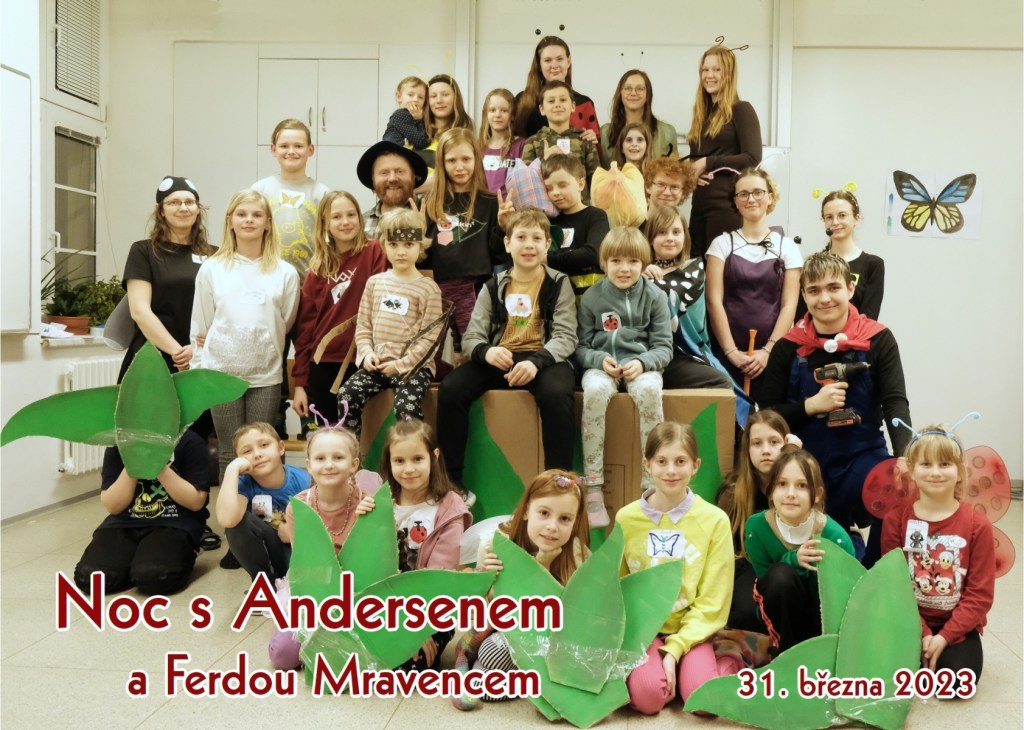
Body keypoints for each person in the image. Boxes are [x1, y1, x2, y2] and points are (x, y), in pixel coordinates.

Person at [761, 251, 911, 564]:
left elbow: (895, 400)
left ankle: (874, 570)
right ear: (804, 295)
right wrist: (810, 406)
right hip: (805, 460)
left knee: (896, 488)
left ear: (850, 289)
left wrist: (904, 456)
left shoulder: (879, 339)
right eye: (814, 291)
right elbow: (767, 414)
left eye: (833, 288)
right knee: (825, 548)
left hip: (862, 455)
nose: (825, 298)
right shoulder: (788, 346)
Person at [437, 208, 577, 488]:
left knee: (557, 394)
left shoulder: (559, 283)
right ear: (507, 243)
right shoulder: (493, 286)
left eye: (536, 238)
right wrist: (487, 351)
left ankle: (558, 482)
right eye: (521, 237)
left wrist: (536, 362)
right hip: (502, 356)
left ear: (547, 244)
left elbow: (566, 336)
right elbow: (472, 336)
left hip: (544, 358)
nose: (529, 245)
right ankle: (451, 482)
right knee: (451, 389)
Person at [617, 422, 735, 714]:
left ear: (695, 466)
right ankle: (667, 675)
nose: (671, 470)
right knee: (648, 698)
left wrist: (675, 649)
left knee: (702, 702)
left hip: (692, 631)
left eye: (680, 461)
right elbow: (619, 589)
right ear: (647, 464)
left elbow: (713, 601)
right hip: (644, 631)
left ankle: (728, 660)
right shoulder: (626, 519)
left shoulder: (715, 521)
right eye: (662, 461)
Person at [453, 468, 589, 709]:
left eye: (565, 519)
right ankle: (487, 671)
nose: (552, 526)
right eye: (544, 513)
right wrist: (486, 579)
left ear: (575, 521)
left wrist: (543, 565)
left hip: (552, 640)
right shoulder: (496, 545)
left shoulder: (578, 556)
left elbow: (570, 617)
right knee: (495, 651)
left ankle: (522, 678)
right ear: (526, 510)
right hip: (508, 631)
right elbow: (484, 612)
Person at [190, 190, 300, 477]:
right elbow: (201, 325)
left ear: (268, 223)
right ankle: (233, 507)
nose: (249, 220)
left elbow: (285, 322)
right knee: (231, 451)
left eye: (256, 215)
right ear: (230, 221)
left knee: (262, 452)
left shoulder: (285, 273)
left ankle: (262, 506)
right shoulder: (212, 269)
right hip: (221, 376)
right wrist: (199, 371)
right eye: (242, 214)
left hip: (266, 375)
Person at [881, 423, 995, 683]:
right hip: (906, 619)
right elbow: (893, 586)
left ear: (960, 471)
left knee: (956, 682)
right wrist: (922, 633)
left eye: (944, 464)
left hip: (956, 625)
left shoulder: (977, 525)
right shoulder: (895, 521)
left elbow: (979, 595)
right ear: (912, 469)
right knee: (891, 675)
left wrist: (944, 637)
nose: (935, 472)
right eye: (926, 464)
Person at [576, 227, 672, 527]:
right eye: (616, 261)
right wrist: (598, 360)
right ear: (604, 262)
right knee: (594, 392)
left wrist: (643, 363)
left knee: (649, 392)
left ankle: (651, 485)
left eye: (632, 261)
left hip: (641, 367)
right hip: (601, 366)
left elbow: (664, 347)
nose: (624, 268)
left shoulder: (655, 296)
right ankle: (593, 486)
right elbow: (580, 346)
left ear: (643, 263)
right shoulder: (592, 297)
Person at [269, 426, 374, 670]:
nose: (329, 465)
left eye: (338, 457)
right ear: (309, 465)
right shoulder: (299, 507)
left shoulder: (367, 503)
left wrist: (365, 523)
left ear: (354, 464)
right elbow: (304, 564)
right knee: (283, 657)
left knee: (362, 654)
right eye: (320, 458)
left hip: (358, 589)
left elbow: (371, 562)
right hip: (314, 588)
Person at [336, 209, 444, 438]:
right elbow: (364, 326)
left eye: (408, 244)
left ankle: (413, 454)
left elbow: (430, 340)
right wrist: (367, 354)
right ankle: (350, 452)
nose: (401, 251)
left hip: (413, 369)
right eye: (393, 244)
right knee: (346, 395)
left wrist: (402, 364)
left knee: (406, 409)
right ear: (384, 246)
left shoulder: (429, 289)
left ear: (420, 246)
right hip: (377, 366)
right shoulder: (374, 283)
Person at [744, 447, 855, 652]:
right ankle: (784, 655)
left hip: (821, 622)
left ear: (817, 494)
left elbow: (844, 599)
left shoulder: (835, 538)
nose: (791, 494)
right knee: (780, 576)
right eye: (782, 484)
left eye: (802, 486)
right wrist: (794, 560)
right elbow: (767, 584)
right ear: (770, 490)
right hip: (780, 620)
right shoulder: (756, 528)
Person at [291, 191, 386, 429]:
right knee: (332, 440)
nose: (345, 222)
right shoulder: (318, 269)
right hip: (325, 363)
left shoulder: (376, 252)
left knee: (366, 438)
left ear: (360, 218)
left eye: (351, 215)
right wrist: (300, 383)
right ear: (325, 223)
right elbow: (305, 330)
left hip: (366, 360)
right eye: (336, 217)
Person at [706, 168, 802, 406]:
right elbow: (713, 301)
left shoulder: (788, 247)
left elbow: (789, 305)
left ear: (770, 197)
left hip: (773, 353)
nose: (751, 199)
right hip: (727, 352)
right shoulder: (721, 244)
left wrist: (768, 352)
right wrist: (731, 352)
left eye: (758, 192)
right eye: (743, 194)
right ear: (736, 202)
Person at [382, 418, 472, 668]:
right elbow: (370, 567)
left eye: (417, 459)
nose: (408, 469)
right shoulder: (382, 502)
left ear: (434, 456)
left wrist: (417, 628)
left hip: (431, 609)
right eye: (399, 461)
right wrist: (364, 516)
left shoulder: (449, 507)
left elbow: (439, 576)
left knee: (408, 666)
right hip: (388, 606)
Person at [73, 430, 209, 596]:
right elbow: (113, 506)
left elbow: (196, 502)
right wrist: (134, 462)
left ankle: (144, 565)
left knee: (155, 575)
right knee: (91, 578)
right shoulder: (117, 444)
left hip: (174, 521)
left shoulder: (190, 441)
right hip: (124, 522)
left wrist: (158, 465)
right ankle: (133, 565)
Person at [420, 127, 512, 363]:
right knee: (431, 355)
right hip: (435, 289)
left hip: (474, 287)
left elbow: (499, 257)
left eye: (466, 159)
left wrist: (502, 227)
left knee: (470, 351)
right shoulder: (429, 203)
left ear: (476, 159)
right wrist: (418, 237)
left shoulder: (491, 202)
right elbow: (421, 258)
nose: (459, 166)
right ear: (441, 163)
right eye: (452, 160)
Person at [119, 176, 214, 383]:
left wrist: (196, 350)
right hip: (153, 357)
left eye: (189, 202)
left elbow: (224, 310)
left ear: (198, 209)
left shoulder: (216, 255)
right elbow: (140, 311)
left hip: (202, 358)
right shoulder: (143, 251)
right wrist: (178, 353)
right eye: (174, 202)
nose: (183, 208)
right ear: (161, 210)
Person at [716, 410, 798, 631]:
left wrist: (793, 457)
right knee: (748, 614)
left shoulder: (799, 488)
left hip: (791, 562)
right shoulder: (733, 492)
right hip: (747, 562)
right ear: (747, 449)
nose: (766, 451)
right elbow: (723, 550)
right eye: (757, 443)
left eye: (774, 442)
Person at [641, 204, 734, 392]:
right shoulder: (637, 272)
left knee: (724, 384)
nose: (670, 238)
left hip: (683, 356)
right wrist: (639, 276)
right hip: (643, 352)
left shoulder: (695, 270)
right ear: (650, 238)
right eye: (662, 232)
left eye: (676, 232)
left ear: (685, 237)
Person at [686, 44, 763, 258]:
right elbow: (696, 159)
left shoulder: (741, 109)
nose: (709, 75)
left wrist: (708, 163)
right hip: (699, 204)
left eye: (716, 69)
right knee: (697, 268)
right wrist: (692, 172)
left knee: (721, 269)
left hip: (725, 205)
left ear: (729, 74)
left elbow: (752, 157)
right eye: (705, 70)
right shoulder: (701, 115)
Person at [216, 422, 311, 584]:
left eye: (264, 445)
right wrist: (232, 469)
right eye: (247, 451)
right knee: (238, 523)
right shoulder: (245, 483)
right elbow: (227, 519)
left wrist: (294, 533)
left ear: (281, 448)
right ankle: (265, 582)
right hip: (274, 547)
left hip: (304, 549)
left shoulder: (303, 480)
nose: (257, 454)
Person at [252, 119, 328, 283]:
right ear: (273, 149)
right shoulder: (259, 191)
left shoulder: (322, 194)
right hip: (265, 280)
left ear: (310, 150)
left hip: (308, 283)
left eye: (298, 146)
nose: (291, 151)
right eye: (284, 146)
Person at [796, 188, 885, 321]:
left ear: (856, 218)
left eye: (842, 215)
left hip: (856, 334)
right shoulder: (811, 265)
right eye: (829, 217)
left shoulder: (873, 265)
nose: (835, 222)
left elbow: (869, 319)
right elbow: (802, 317)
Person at [542, 155, 610, 298]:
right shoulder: (549, 222)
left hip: (593, 298)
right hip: (560, 300)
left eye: (562, 185)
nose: (555, 192)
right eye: (549, 188)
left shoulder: (596, 216)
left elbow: (592, 254)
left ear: (580, 184)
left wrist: (548, 259)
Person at [513, 35, 601, 147]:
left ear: (568, 61)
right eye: (547, 60)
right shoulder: (522, 100)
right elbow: (510, 142)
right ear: (539, 65)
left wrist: (593, 138)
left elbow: (597, 151)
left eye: (560, 59)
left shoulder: (585, 104)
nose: (554, 65)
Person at [520, 81, 600, 202]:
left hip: (581, 208)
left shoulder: (584, 139)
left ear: (573, 106)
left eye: (563, 100)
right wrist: (543, 162)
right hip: (545, 209)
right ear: (542, 109)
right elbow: (525, 182)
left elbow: (596, 180)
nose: (557, 105)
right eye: (551, 101)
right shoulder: (532, 142)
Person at [601, 69, 679, 163]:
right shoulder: (605, 133)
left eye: (640, 89)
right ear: (620, 94)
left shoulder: (667, 132)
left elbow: (675, 170)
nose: (633, 93)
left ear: (648, 95)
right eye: (627, 88)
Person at [357, 140, 429, 239]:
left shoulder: (432, 216)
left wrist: (420, 232)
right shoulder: (360, 224)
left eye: (400, 171)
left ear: (413, 177)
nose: (392, 178)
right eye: (384, 173)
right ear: (373, 180)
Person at [420, 74, 474, 172]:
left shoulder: (466, 137)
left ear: (456, 98)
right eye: (433, 96)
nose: (439, 100)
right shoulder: (415, 132)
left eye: (445, 94)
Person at [478, 88, 525, 196]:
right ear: (486, 114)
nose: (498, 115)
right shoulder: (478, 147)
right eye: (492, 110)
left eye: (504, 110)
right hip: (485, 205)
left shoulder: (522, 145)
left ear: (512, 115)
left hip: (512, 205)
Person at [382, 76, 429, 149]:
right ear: (398, 97)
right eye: (410, 95)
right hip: (391, 153)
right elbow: (420, 143)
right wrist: (419, 120)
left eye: (420, 97)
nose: (416, 99)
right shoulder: (401, 114)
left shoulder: (409, 115)